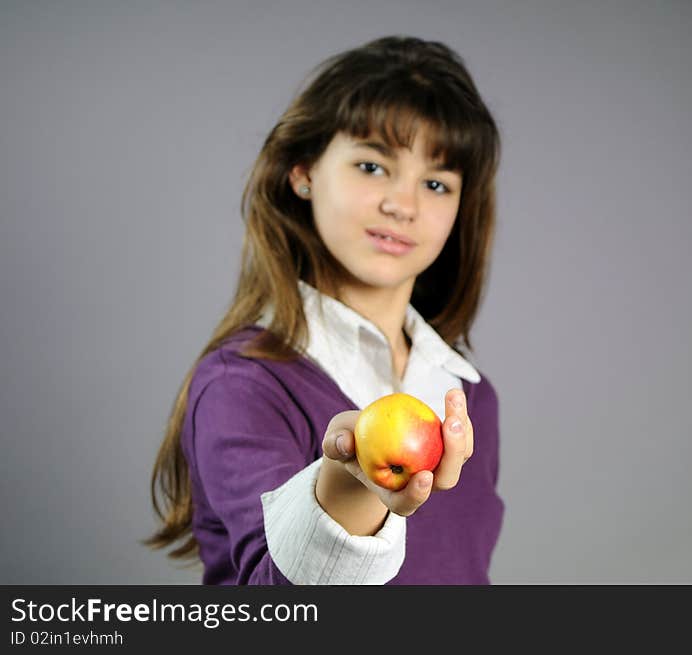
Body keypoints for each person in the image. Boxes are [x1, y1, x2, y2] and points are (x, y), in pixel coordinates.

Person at [144, 34, 504, 584]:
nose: (402, 204)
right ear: (303, 172)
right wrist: (350, 487)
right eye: (372, 166)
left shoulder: (468, 394)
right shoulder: (243, 383)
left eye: (435, 183)